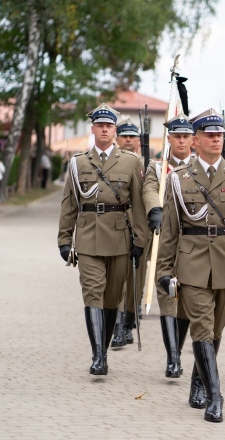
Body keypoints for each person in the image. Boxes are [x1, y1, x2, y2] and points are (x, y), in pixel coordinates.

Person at [157, 108, 225, 423]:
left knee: (217, 329)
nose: (216, 139)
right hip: (193, 262)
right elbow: (171, 230)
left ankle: (198, 381)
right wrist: (163, 271)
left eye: (220, 134)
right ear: (196, 140)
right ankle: (216, 397)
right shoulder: (180, 178)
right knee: (202, 325)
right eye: (210, 135)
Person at [57, 103, 148, 376]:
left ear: (115, 130)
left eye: (109, 125)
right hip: (87, 236)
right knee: (93, 293)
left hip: (120, 237)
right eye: (100, 125)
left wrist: (140, 240)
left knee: (111, 299)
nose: (105, 129)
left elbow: (139, 206)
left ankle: (103, 348)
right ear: (93, 129)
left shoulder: (132, 163)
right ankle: (98, 355)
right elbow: (69, 204)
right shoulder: (78, 163)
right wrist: (64, 238)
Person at [144, 113, 195, 378]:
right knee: (167, 296)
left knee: (185, 300)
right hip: (164, 239)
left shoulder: (200, 168)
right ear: (169, 138)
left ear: (193, 139)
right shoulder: (157, 167)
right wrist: (155, 209)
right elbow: (150, 190)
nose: (182, 141)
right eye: (177, 136)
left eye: (186, 136)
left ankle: (178, 349)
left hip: (192, 244)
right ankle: (173, 358)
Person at [110, 118, 146, 348]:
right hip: (118, 225)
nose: (129, 140)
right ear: (117, 138)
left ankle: (130, 319)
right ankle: (119, 327)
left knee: (136, 279)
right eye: (124, 136)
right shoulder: (110, 163)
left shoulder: (147, 165)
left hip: (141, 226)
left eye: (133, 136)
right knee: (117, 280)